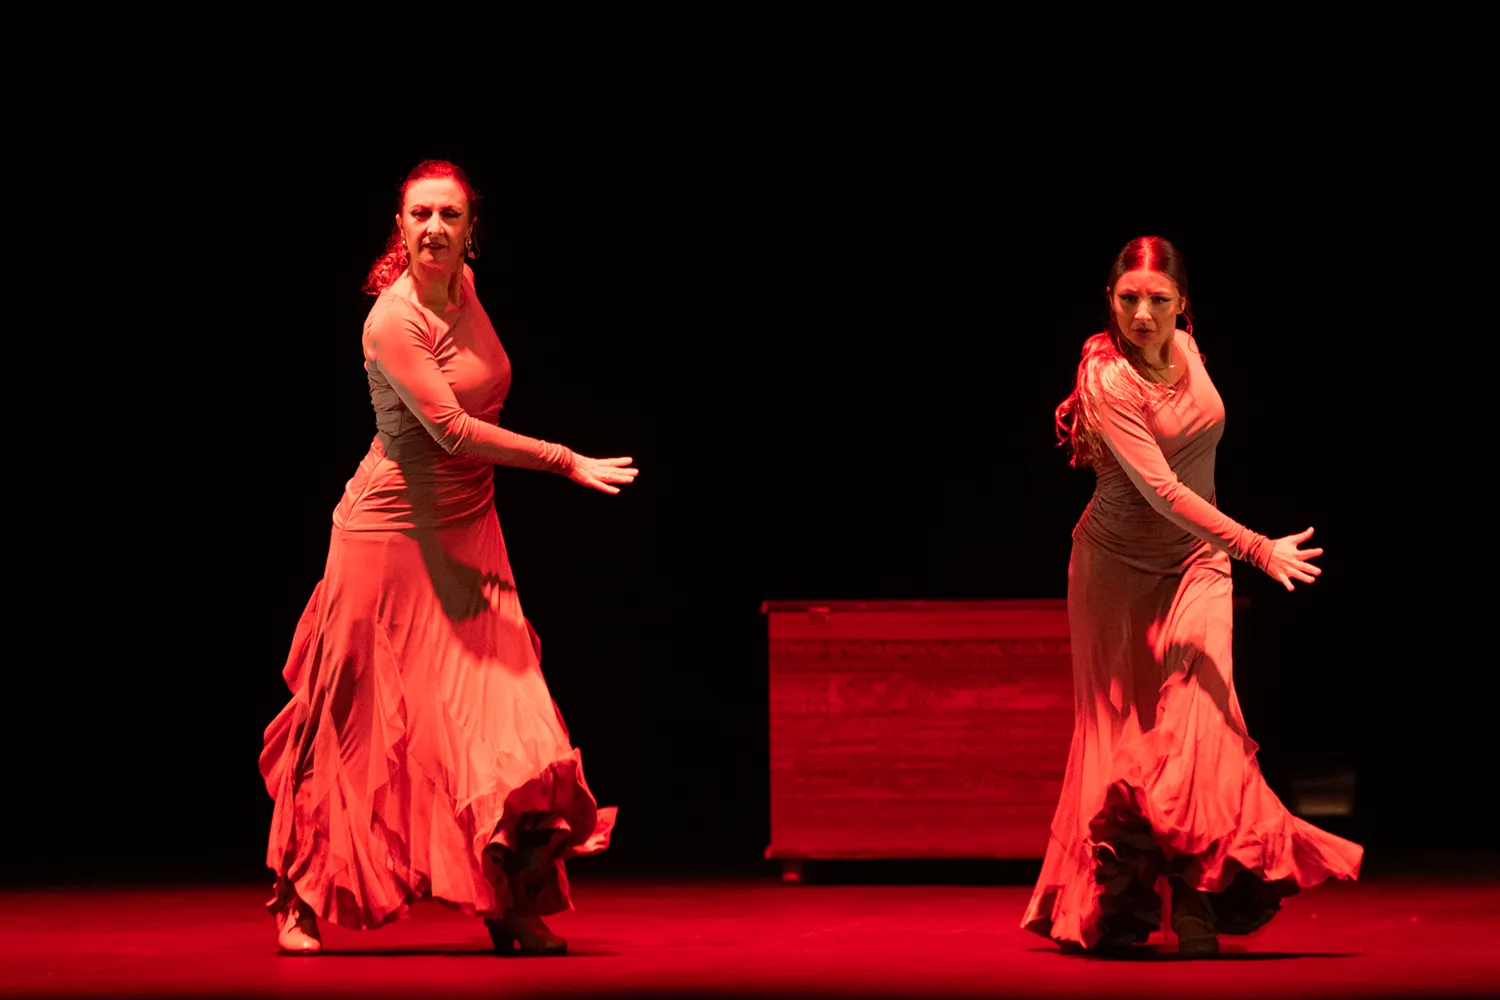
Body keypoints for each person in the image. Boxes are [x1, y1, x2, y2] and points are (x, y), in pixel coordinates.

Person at [259, 159, 637, 956]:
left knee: (506, 716)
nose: (433, 228)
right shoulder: (392, 320)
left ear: (472, 231)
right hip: (386, 539)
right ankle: (298, 893)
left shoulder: (464, 288)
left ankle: (508, 899)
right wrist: (563, 459)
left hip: (469, 532)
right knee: (353, 722)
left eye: (449, 216)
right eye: (420, 215)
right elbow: (453, 432)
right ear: (399, 227)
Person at [1022, 236, 1361, 958]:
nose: (1143, 315)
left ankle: (1201, 896)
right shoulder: (1107, 380)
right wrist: (1258, 547)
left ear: (1183, 304)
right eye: (1128, 299)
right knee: (1126, 737)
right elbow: (1164, 491)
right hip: (1117, 570)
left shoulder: (1188, 348)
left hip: (1199, 563)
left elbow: (1198, 460)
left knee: (1204, 725)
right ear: (1110, 301)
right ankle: (1121, 904)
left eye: (1159, 300)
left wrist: (1233, 549)